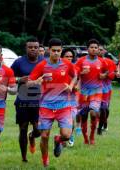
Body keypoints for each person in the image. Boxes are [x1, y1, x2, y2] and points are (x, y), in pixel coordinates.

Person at [28, 38, 77, 167]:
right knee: (44, 136)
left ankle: (58, 140)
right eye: (53, 50)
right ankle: (45, 162)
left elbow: (75, 75)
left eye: (58, 51)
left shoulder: (67, 64)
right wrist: (35, 82)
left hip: (64, 106)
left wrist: (71, 85)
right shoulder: (42, 65)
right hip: (45, 106)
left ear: (61, 51)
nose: (56, 53)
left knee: (66, 135)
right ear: (49, 50)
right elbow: (29, 81)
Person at [11, 37, 43, 162]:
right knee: (22, 128)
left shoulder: (44, 62)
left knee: (38, 130)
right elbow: (8, 78)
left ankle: (32, 136)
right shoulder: (19, 62)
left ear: (39, 48)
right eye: (30, 47)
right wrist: (19, 80)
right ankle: (24, 158)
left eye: (35, 47)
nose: (33, 49)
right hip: (22, 101)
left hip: (39, 101)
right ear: (26, 48)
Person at [75, 39, 108, 145]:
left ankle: (92, 136)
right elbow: (74, 74)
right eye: (91, 47)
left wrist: (104, 75)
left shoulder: (102, 61)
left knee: (94, 113)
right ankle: (85, 137)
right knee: (84, 116)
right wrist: (81, 72)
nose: (94, 49)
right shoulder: (81, 61)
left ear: (98, 49)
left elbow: (107, 72)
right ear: (87, 49)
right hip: (84, 92)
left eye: (96, 48)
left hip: (97, 91)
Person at [61, 47, 78, 146]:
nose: (69, 58)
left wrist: (75, 87)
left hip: (71, 98)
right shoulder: (58, 67)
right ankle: (62, 139)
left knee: (71, 118)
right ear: (62, 57)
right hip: (60, 98)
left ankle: (70, 135)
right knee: (63, 121)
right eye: (67, 56)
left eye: (71, 57)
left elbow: (79, 81)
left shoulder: (75, 69)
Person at [97, 48, 116, 135]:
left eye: (102, 49)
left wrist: (110, 74)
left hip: (106, 89)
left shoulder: (110, 61)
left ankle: (104, 123)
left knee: (106, 109)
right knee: (99, 109)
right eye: (98, 49)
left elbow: (113, 76)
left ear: (105, 51)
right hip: (95, 88)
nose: (100, 51)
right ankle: (99, 129)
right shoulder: (91, 61)